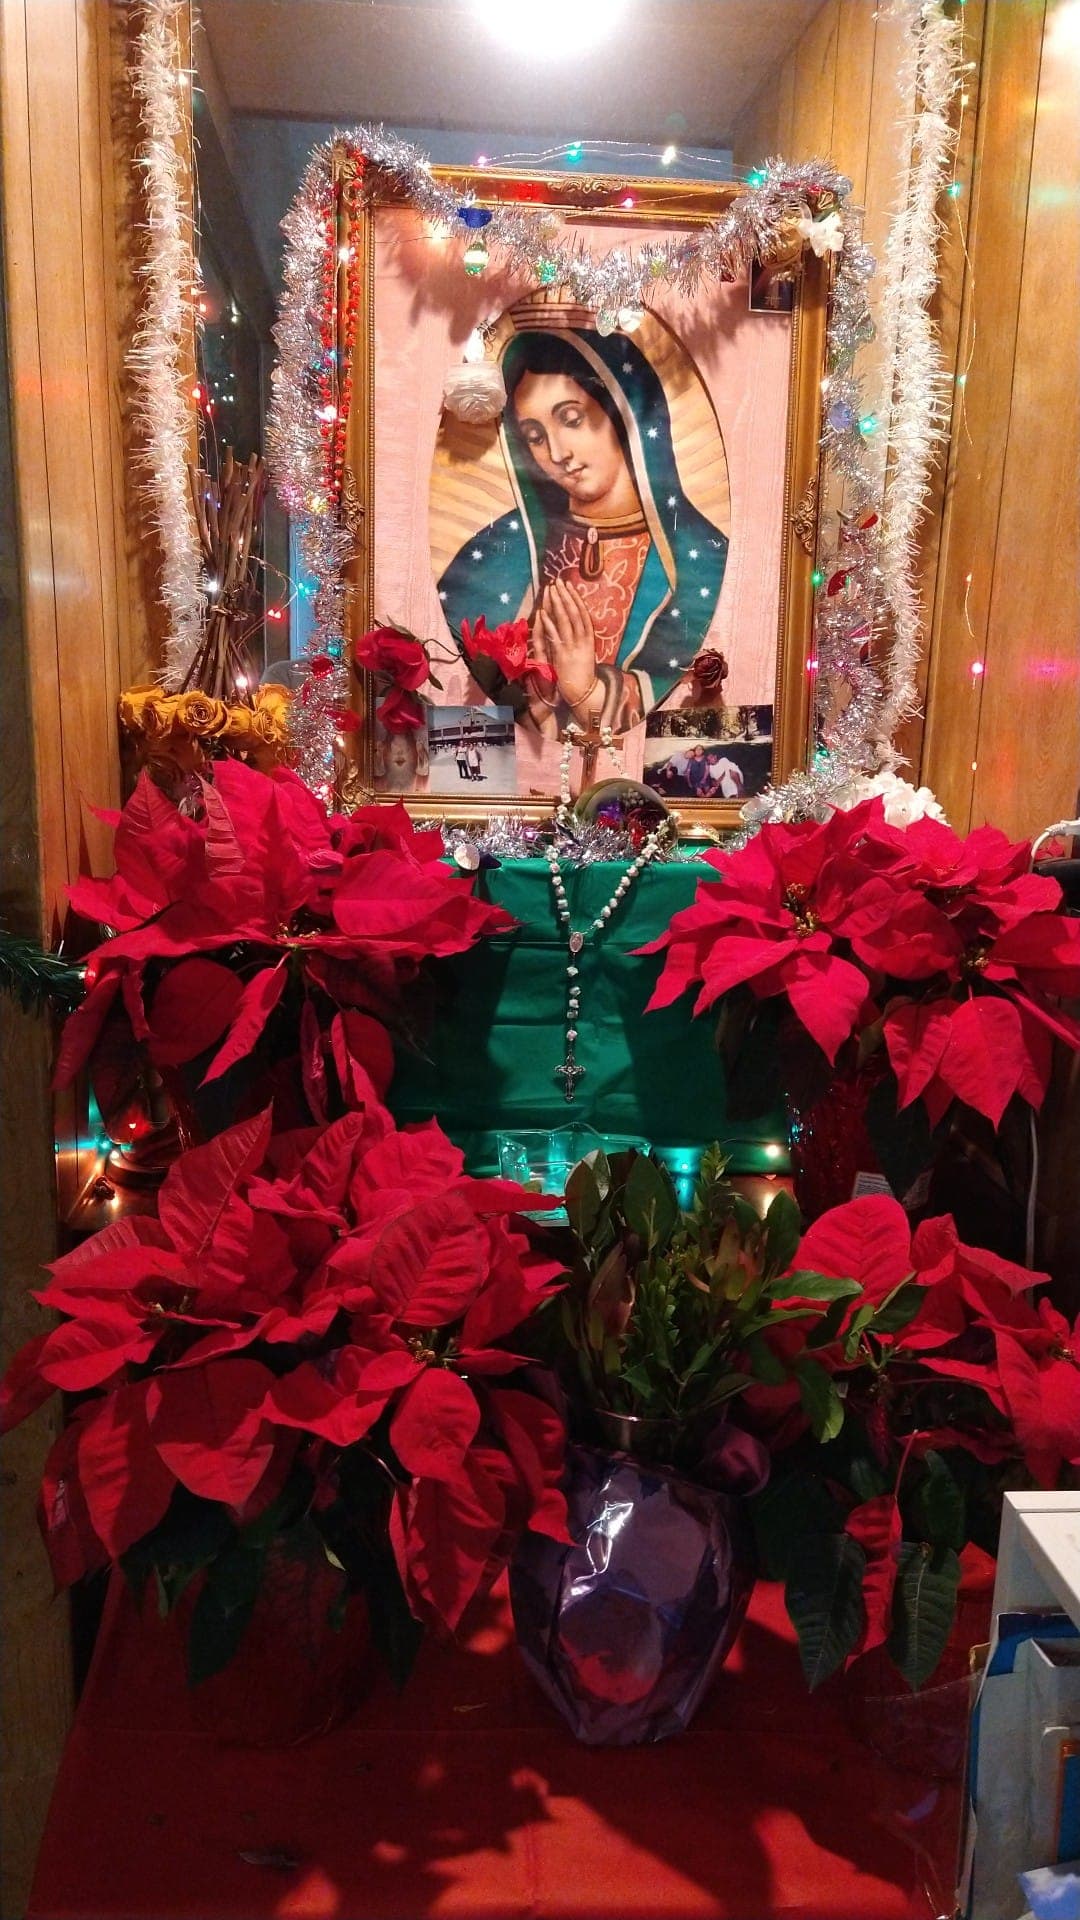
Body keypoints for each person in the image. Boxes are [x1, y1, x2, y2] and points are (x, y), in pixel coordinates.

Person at [437, 323, 728, 736]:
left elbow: (674, 698)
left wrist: (587, 691)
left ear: (622, 415)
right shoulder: (499, 554)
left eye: (571, 419)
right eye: (535, 436)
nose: (557, 453)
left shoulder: (699, 562)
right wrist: (534, 699)